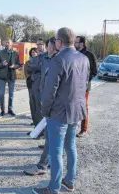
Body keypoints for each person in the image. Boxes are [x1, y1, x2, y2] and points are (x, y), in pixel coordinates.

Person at [32, 28, 89, 194]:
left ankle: (54, 188)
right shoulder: (84, 58)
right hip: (76, 111)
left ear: (59, 42)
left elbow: (50, 90)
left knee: (55, 151)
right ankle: (69, 181)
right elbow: (84, 85)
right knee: (71, 147)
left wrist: (45, 111)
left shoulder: (58, 60)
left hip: (59, 113)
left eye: (55, 40)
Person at [24, 37, 59, 176]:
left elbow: (55, 82)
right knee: (56, 136)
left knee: (55, 134)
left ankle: (44, 165)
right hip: (49, 97)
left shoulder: (59, 60)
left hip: (54, 101)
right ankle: (50, 161)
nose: (44, 47)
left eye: (47, 45)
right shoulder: (46, 57)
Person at [75, 36, 98, 137]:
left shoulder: (90, 55)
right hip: (73, 86)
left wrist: (84, 81)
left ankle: (84, 129)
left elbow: (94, 71)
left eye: (76, 42)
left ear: (82, 44)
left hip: (84, 87)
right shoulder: (74, 54)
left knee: (83, 107)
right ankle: (73, 127)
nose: (74, 44)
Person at [0, 39, 21, 116]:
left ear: (11, 44)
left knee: (11, 94)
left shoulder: (15, 53)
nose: (7, 44)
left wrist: (14, 66)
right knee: (1, 94)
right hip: (2, 76)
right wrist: (2, 64)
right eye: (6, 43)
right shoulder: (0, 53)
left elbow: (19, 64)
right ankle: (2, 110)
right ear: (4, 44)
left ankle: (10, 109)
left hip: (11, 76)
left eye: (8, 43)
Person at [27, 39, 46, 126]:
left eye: (40, 44)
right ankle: (36, 126)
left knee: (39, 107)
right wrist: (33, 67)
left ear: (44, 45)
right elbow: (29, 67)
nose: (38, 46)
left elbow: (41, 68)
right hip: (33, 83)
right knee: (33, 105)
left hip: (42, 85)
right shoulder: (37, 57)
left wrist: (33, 67)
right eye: (37, 44)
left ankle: (40, 130)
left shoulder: (46, 56)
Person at [24, 48, 39, 125]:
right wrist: (31, 76)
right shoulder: (27, 62)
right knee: (32, 103)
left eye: (35, 52)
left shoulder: (40, 61)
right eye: (32, 52)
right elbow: (26, 72)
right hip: (30, 83)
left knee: (37, 104)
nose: (33, 53)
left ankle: (37, 121)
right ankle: (34, 120)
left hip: (38, 85)